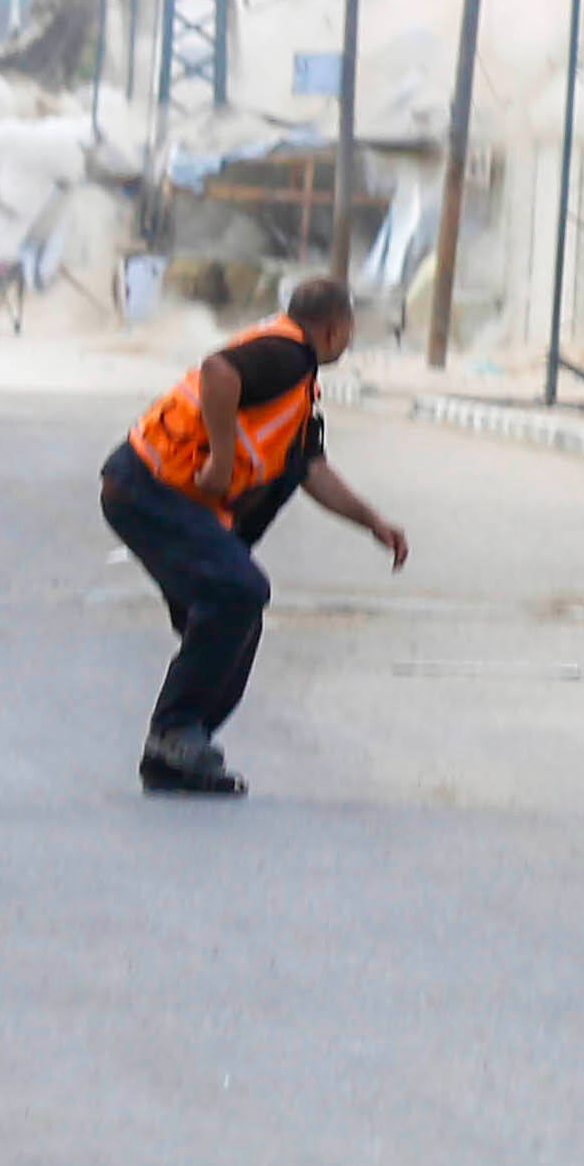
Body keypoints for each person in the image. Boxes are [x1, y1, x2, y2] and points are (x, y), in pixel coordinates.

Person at [97, 274, 412, 799]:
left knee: (237, 609)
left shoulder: (299, 387)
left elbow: (311, 469)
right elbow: (218, 372)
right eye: (351, 329)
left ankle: (180, 748)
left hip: (155, 495)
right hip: (148, 487)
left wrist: (373, 522)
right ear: (334, 329)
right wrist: (221, 459)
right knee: (239, 590)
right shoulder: (287, 352)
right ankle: (175, 732)